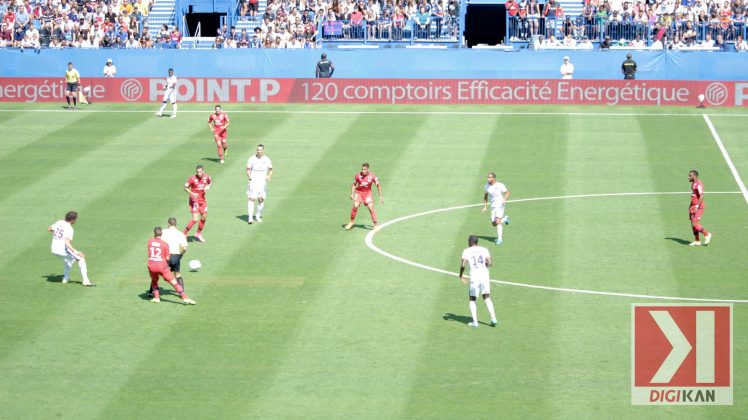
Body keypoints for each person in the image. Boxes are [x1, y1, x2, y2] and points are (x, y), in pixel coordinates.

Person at [147, 226, 196, 304]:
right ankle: (185, 298)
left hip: (151, 265)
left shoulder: (149, 241)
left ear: (154, 233)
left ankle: (156, 298)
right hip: (161, 266)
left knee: (154, 281)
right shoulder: (165, 244)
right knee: (174, 282)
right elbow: (167, 258)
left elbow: (149, 254)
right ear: (161, 234)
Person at [459, 235, 498, 328]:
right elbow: (490, 263)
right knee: (486, 297)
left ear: (470, 242)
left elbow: (463, 264)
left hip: (475, 277)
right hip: (484, 275)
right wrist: (483, 265)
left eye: (468, 241)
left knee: (472, 298)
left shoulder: (466, 251)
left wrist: (461, 275)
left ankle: (475, 322)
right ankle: (493, 318)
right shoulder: (484, 249)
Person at [48, 211, 93, 286]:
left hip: (53, 249)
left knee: (69, 260)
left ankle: (65, 279)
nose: (76, 220)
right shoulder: (70, 229)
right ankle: (86, 281)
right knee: (81, 258)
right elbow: (67, 243)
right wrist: (77, 252)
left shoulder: (60, 222)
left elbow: (49, 229)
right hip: (62, 249)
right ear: (72, 219)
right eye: (75, 219)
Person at [147, 217, 188, 298]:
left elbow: (158, 242)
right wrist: (180, 256)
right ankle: (181, 293)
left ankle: (151, 293)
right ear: (176, 224)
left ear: (168, 223)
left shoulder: (164, 232)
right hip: (176, 256)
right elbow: (184, 247)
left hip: (166, 257)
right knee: (177, 274)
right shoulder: (181, 234)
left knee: (155, 274)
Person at [345, 163, 383, 231]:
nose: (363, 171)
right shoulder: (358, 175)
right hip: (359, 193)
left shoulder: (373, 176)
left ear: (368, 169)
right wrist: (352, 194)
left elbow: (378, 185)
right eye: (362, 169)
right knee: (355, 205)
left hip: (367, 193)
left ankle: (376, 225)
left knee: (370, 207)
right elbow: (354, 184)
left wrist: (381, 196)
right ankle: (351, 222)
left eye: (364, 169)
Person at [246, 144, 273, 224]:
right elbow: (248, 169)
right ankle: (250, 218)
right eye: (258, 150)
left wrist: (269, 176)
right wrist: (249, 176)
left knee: (261, 200)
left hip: (262, 183)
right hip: (254, 182)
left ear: (263, 151)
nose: (259, 151)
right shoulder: (251, 159)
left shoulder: (267, 159)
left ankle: (257, 215)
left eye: (260, 150)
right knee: (252, 199)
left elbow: (271, 169)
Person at [183, 165, 211, 242]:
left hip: (202, 200)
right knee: (195, 219)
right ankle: (184, 234)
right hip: (194, 200)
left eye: (200, 172)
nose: (199, 173)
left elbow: (210, 182)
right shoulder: (192, 179)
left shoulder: (207, 177)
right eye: (197, 172)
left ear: (203, 171)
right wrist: (192, 193)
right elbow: (185, 187)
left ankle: (198, 234)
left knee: (204, 217)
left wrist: (208, 186)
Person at [482, 172, 510, 245]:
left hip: (500, 204)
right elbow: (485, 197)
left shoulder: (500, 185)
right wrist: (485, 207)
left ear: (493, 178)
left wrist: (504, 200)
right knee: (494, 224)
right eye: (487, 177)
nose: (488, 179)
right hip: (493, 206)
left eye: (489, 177)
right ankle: (505, 219)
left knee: (497, 221)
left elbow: (507, 193)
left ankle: (500, 239)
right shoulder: (486, 186)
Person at [688, 170, 712, 246]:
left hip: (698, 207)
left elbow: (701, 195)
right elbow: (694, 195)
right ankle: (697, 241)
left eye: (690, 176)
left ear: (694, 176)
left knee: (695, 224)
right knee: (692, 224)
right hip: (692, 206)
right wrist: (691, 206)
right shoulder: (693, 184)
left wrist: (696, 206)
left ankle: (707, 234)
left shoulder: (699, 184)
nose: (688, 177)